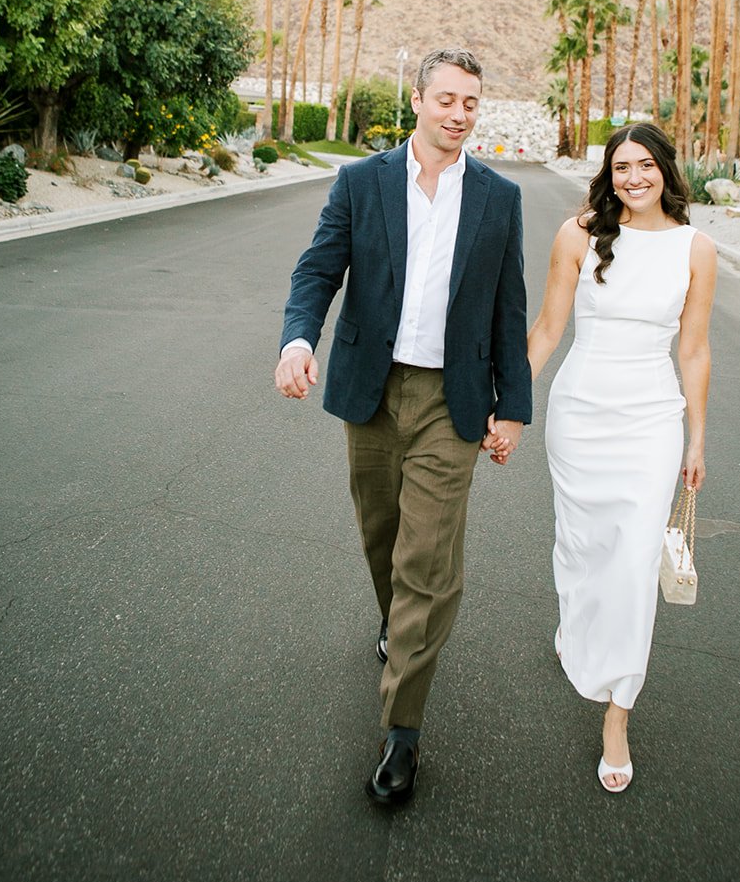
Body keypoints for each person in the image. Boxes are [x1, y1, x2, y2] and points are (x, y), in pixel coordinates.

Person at [275, 48, 531, 806]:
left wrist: (511, 405)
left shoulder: (498, 196)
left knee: (427, 559)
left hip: (452, 402)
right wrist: (297, 339)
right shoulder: (362, 182)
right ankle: (398, 624)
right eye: (446, 99)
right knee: (381, 535)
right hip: (371, 390)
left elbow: (508, 305)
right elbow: (317, 270)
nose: (458, 114)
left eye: (471, 103)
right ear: (417, 100)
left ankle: (402, 733)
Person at [527, 123, 716, 794]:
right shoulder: (577, 233)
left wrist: (695, 438)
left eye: (644, 165)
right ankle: (574, 625)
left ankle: (616, 715)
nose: (633, 178)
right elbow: (548, 327)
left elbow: (691, 350)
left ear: (665, 168)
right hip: (579, 414)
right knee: (583, 546)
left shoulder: (696, 249)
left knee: (634, 563)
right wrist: (508, 406)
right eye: (620, 167)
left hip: (651, 422)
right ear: (608, 174)